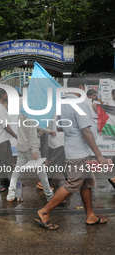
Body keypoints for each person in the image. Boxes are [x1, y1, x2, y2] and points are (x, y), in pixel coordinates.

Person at [35, 78, 109, 230]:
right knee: (73, 184)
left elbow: (61, 126)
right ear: (82, 87)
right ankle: (45, 211)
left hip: (75, 149)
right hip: (79, 152)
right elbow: (86, 130)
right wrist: (99, 155)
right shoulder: (78, 103)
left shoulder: (64, 103)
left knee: (86, 183)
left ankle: (90, 216)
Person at [6, 113, 54, 202]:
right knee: (42, 173)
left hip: (21, 146)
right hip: (29, 147)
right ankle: (50, 196)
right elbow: (32, 133)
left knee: (17, 171)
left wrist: (48, 131)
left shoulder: (23, 111)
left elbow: (33, 126)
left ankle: (10, 195)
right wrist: (34, 150)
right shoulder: (30, 112)